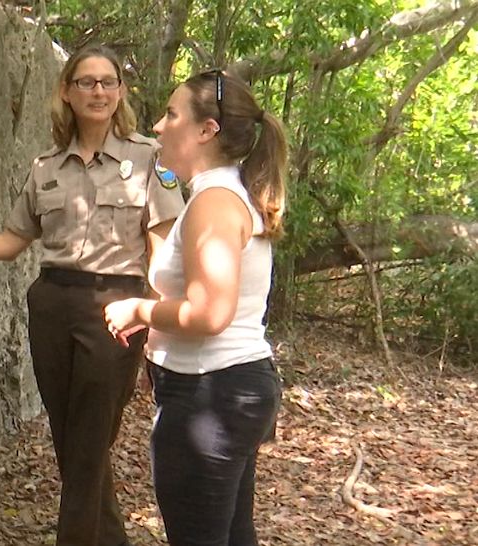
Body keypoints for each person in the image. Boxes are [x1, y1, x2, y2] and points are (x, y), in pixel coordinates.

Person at [0, 45, 184, 546]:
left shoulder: (149, 158)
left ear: (121, 92)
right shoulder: (46, 167)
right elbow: (9, 242)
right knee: (72, 447)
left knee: (88, 448)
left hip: (116, 309)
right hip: (52, 306)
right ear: (66, 91)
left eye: (108, 82)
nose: (98, 91)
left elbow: (164, 252)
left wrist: (154, 324)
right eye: (86, 82)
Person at [103, 69, 287, 546]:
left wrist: (140, 311)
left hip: (212, 394)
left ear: (207, 130)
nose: (159, 127)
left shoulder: (215, 202)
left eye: (171, 114)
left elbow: (209, 313)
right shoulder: (219, 197)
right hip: (225, 391)